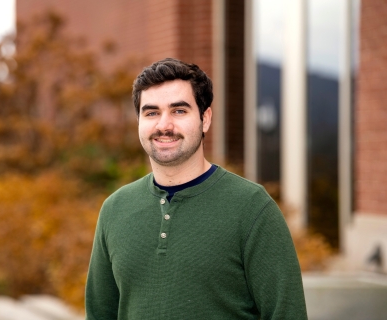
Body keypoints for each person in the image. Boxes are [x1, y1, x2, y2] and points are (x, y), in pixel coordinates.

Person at [85, 58, 307, 319]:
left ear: (205, 119)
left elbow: (286, 313)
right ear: (139, 122)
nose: (163, 125)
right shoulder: (115, 209)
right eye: (151, 112)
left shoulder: (251, 207)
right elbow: (100, 314)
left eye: (179, 111)